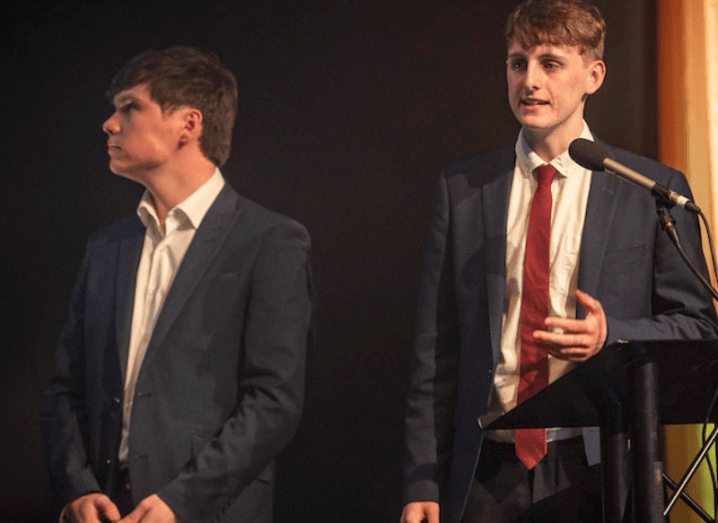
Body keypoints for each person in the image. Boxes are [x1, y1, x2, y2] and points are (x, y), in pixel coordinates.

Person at [400, 1, 718, 522]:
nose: (530, 80)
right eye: (517, 62)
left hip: (598, 461)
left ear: (593, 75)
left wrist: (611, 335)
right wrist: (421, 480)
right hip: (488, 466)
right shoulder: (463, 190)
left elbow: (699, 327)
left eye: (550, 63)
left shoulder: (649, 191)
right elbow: (435, 353)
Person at [41, 46, 313, 523]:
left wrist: (181, 502)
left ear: (189, 124)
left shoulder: (270, 241)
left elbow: (274, 401)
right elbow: (66, 388)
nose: (110, 124)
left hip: (208, 511)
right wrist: (77, 487)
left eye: (129, 108)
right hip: (108, 507)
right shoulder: (108, 246)